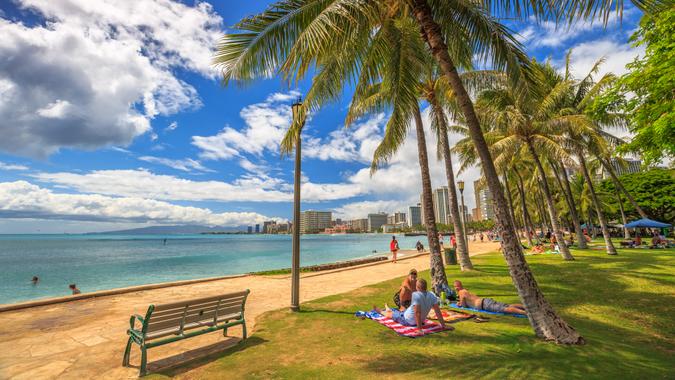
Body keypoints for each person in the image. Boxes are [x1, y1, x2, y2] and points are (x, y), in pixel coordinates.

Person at [375, 279, 451, 335]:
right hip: (417, 319)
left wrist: (420, 330)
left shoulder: (416, 295)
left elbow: (417, 313)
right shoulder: (432, 295)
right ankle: (388, 308)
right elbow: (437, 311)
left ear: (417, 287)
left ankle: (380, 311)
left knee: (392, 315)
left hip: (407, 320)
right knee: (399, 312)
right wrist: (443, 325)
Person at [453, 280, 526, 315]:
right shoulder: (465, 290)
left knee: (505, 309)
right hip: (485, 301)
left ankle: (526, 313)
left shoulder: (461, 292)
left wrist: (459, 304)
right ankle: (526, 306)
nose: (455, 288)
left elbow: (464, 306)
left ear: (457, 287)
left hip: (484, 305)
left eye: (455, 287)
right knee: (507, 305)